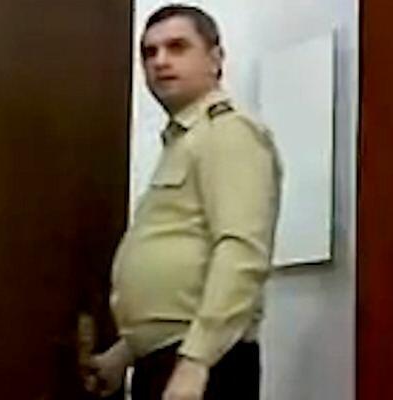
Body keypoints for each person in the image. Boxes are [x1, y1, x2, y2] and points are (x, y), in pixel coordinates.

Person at [85, 4, 282, 400]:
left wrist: (196, 362)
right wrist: (123, 355)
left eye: (177, 47)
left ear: (215, 58)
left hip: (205, 364)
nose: (160, 61)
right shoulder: (184, 141)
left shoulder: (227, 131)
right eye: (149, 52)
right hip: (166, 359)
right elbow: (179, 275)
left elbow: (242, 252)